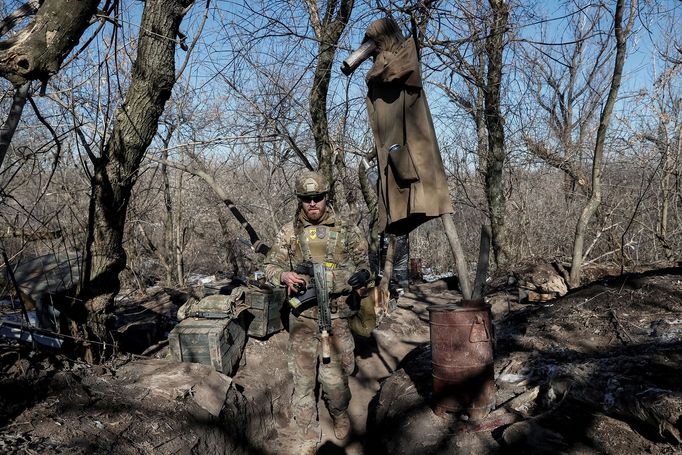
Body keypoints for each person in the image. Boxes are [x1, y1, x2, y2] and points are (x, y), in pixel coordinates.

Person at [263, 170, 371, 452]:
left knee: (335, 383)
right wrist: (283, 276)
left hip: (335, 318)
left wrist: (361, 276)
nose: (313, 204)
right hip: (302, 320)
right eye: (306, 199)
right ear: (300, 200)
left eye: (318, 198)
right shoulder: (289, 232)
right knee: (302, 383)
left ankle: (339, 413)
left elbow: (365, 265)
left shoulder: (347, 230)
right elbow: (269, 266)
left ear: (326, 197)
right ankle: (308, 433)